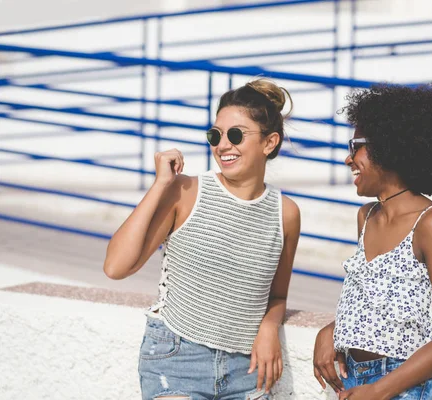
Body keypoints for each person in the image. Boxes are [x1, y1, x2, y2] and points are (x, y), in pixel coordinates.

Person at [103, 79, 301, 400]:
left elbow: (277, 296)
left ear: (269, 142)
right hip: (177, 359)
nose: (223, 145)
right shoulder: (186, 192)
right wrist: (160, 186)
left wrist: (268, 329)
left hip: (248, 371)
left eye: (236, 134)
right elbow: (116, 266)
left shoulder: (286, 213)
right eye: (215, 135)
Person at [313, 84, 432, 400]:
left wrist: (379, 390)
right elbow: (379, 305)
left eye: (355, 146)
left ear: (389, 147)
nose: (348, 158)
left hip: (406, 388)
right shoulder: (366, 217)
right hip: (355, 382)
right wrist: (333, 330)